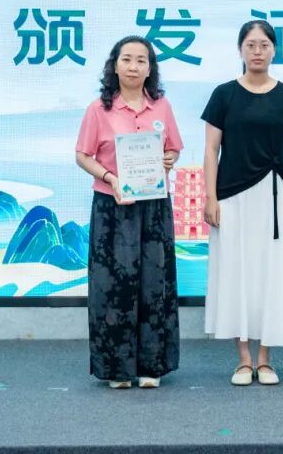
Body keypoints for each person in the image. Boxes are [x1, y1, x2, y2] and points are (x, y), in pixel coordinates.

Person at [202, 19, 283, 386]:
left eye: (264, 45)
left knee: (272, 274)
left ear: (274, 50)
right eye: (250, 45)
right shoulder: (223, 94)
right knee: (236, 273)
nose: (257, 51)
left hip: (275, 196)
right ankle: (243, 359)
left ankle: (266, 359)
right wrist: (210, 197)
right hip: (231, 197)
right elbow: (211, 150)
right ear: (240, 50)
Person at [75, 35, 183, 389]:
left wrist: (168, 159)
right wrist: (111, 178)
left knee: (154, 283)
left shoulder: (162, 107)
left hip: (154, 207)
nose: (133, 66)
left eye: (141, 60)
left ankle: (152, 365)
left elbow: (173, 149)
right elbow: (82, 155)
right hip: (112, 206)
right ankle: (117, 368)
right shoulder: (98, 109)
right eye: (127, 59)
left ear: (150, 68)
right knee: (113, 285)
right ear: (115, 65)